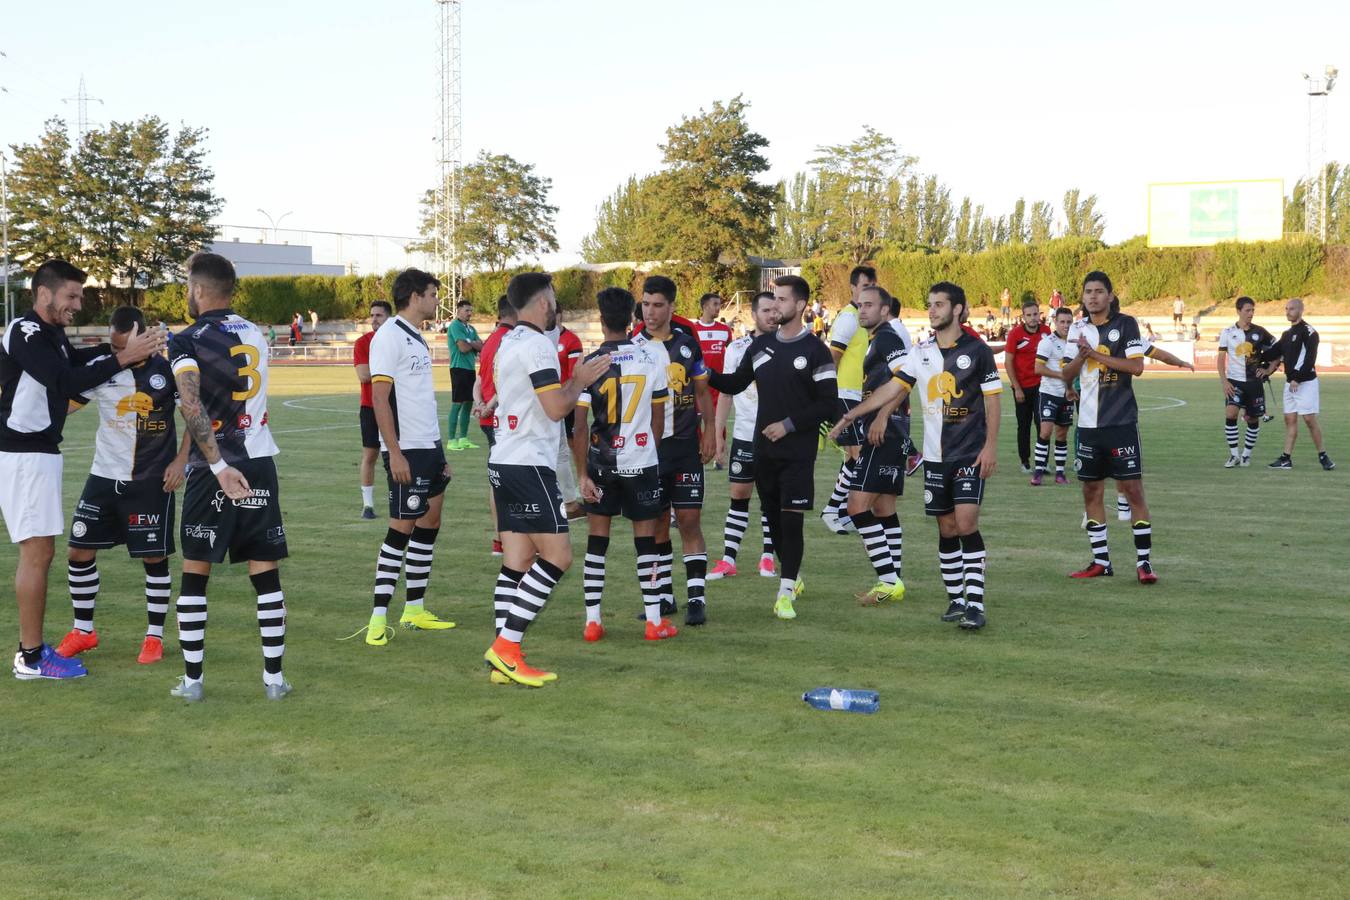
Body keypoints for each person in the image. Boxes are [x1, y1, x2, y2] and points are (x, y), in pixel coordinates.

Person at [2, 260, 165, 680]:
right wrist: (124, 356)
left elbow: (76, 358)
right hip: (23, 455)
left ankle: (34, 651)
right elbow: (64, 380)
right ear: (44, 294)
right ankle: (32, 657)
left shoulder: (50, 334)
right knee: (37, 554)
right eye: (72, 296)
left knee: (43, 552)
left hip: (38, 454)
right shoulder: (26, 330)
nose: (78, 304)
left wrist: (124, 349)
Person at [831, 281, 1000, 631]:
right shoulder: (920, 352)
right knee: (947, 526)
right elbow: (893, 388)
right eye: (930, 304)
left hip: (969, 453)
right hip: (936, 458)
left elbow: (993, 400)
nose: (933, 309)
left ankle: (976, 604)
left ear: (957, 309)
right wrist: (852, 415)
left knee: (966, 523)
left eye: (940, 304)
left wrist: (990, 447)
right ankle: (956, 599)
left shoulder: (978, 350)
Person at [167, 251, 291, 701]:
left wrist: (217, 466)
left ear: (199, 290)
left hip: (213, 468)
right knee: (265, 569)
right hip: (259, 460)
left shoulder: (187, 340)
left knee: (196, 569)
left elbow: (190, 403)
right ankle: (274, 680)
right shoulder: (255, 332)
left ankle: (193, 681)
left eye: (186, 284)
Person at [483, 272, 611, 687]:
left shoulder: (508, 342)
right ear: (542, 304)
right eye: (553, 298)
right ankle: (507, 648)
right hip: (527, 464)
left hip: (504, 460)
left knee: (518, 560)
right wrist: (581, 381)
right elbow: (556, 407)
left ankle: (503, 655)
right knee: (558, 556)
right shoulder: (538, 344)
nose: (556, 305)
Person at [55, 306, 189, 665]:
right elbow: (66, 404)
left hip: (150, 480)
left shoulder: (168, 371)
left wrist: (180, 462)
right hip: (103, 476)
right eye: (113, 347)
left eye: (123, 346)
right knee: (78, 551)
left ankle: (154, 637)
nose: (118, 354)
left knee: (154, 557)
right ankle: (84, 631)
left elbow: (194, 414)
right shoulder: (105, 369)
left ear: (143, 336)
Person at [708, 275, 838, 621]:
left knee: (791, 522)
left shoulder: (815, 351)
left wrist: (789, 424)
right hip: (763, 450)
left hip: (797, 453)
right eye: (773, 300)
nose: (774, 306)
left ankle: (784, 593)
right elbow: (735, 383)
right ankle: (791, 577)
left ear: (800, 306)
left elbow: (828, 404)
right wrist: (700, 371)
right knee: (774, 521)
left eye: (781, 300)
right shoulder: (760, 348)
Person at [359, 269, 458, 647]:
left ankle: (414, 609)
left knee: (429, 523)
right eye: (433, 293)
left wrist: (439, 451)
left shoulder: (416, 336)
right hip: (406, 450)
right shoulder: (388, 337)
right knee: (400, 529)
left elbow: (420, 399)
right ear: (416, 296)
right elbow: (381, 399)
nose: (436, 300)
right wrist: (395, 452)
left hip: (427, 447)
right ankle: (377, 619)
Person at [571, 287, 675, 642]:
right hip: (641, 462)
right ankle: (653, 621)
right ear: (633, 318)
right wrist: (647, 452)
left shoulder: (590, 364)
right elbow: (658, 421)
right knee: (646, 542)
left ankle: (593, 622)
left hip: (602, 463)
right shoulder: (651, 358)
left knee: (597, 541)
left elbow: (579, 426)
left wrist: (582, 473)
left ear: (601, 321)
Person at [1059, 271, 1157, 585]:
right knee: (1091, 491)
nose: (1093, 297)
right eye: (1088, 291)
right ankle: (1102, 561)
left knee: (1133, 491)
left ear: (1110, 296)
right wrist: (1081, 355)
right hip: (1087, 426)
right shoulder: (1076, 328)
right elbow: (1066, 374)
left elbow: (1136, 367)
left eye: (1099, 291)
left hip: (1121, 422)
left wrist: (1097, 354)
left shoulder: (1126, 324)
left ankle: (1144, 563)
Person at [636, 276, 716, 626]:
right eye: (645, 304)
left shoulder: (687, 345)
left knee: (688, 520)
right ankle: (665, 596)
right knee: (655, 524)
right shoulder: (631, 346)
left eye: (657, 305)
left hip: (684, 447)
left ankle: (696, 598)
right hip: (647, 452)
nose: (650, 312)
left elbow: (702, 393)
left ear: (671, 307)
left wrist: (711, 431)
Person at [843, 285, 911, 606]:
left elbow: (906, 378)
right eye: (860, 305)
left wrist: (883, 415)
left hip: (884, 433)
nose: (862, 310)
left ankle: (887, 580)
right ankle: (893, 581)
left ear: (885, 310)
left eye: (869, 305)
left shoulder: (886, 338)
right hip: (893, 432)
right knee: (884, 508)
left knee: (856, 506)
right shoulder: (876, 340)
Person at [709, 291, 778, 581]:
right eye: (766, 311)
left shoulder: (785, 346)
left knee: (771, 497)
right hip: (744, 435)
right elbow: (726, 392)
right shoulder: (737, 348)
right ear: (753, 314)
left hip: (775, 437)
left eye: (776, 310)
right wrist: (717, 433)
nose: (772, 315)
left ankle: (767, 558)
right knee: (738, 495)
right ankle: (728, 559)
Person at [820, 265, 876, 535]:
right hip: (845, 394)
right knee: (858, 455)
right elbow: (833, 357)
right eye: (865, 286)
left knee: (854, 457)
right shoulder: (849, 318)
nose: (868, 291)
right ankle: (834, 510)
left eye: (872, 287)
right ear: (853, 287)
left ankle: (838, 510)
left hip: (858, 395)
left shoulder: (864, 318)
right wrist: (826, 393)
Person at [1259, 297, 1334, 470]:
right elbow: (1273, 353)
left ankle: (1323, 456)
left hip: (1305, 383)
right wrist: (1254, 356)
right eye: (1286, 309)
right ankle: (1286, 459)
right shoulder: (1286, 334)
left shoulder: (1310, 332)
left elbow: (1310, 359)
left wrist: (1297, 379)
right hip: (1289, 384)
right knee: (1289, 419)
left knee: (1309, 419)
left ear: (1301, 310)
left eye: (1291, 309)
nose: (1288, 312)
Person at [472, 295, 516, 557]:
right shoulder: (510, 341)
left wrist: (480, 403)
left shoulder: (489, 341)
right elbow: (507, 384)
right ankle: (509, 539)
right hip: (502, 418)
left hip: (489, 417)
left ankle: (500, 539)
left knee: (496, 478)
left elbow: (479, 380)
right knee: (510, 479)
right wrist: (490, 405)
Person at [1216, 296, 1276, 468]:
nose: (1251, 313)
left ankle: (1246, 455)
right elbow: (1220, 359)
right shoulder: (1227, 333)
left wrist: (1269, 369)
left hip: (1254, 383)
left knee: (1251, 419)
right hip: (1234, 381)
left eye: (1253, 310)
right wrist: (1224, 382)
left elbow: (1278, 349)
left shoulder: (1260, 332)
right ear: (1238, 311)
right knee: (1231, 413)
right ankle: (1234, 455)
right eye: (1247, 310)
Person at [352, 299, 391, 519]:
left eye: (379, 315)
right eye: (372, 315)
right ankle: (367, 505)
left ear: (389, 318)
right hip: (370, 406)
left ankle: (400, 498)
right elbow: (364, 375)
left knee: (398, 452)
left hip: (395, 406)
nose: (374, 319)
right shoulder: (363, 342)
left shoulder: (396, 341)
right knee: (370, 454)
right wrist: (390, 370)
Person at [1030, 306, 1076, 485]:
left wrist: (1072, 385)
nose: (1065, 325)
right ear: (1055, 322)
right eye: (1062, 322)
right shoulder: (1047, 342)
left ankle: (1060, 473)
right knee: (1046, 431)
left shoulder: (1074, 344)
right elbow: (1038, 368)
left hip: (1066, 394)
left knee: (1062, 435)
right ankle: (1039, 471)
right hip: (1049, 393)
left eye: (1069, 322)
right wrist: (1061, 376)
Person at [546, 311, 585, 517]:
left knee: (572, 445)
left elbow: (573, 374)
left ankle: (580, 484)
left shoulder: (570, 340)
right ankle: (569, 501)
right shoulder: (541, 337)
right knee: (560, 451)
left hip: (565, 398)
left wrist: (563, 396)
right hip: (554, 400)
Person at [1004, 299, 1050, 473]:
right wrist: (1017, 387)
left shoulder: (1046, 331)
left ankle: (1043, 462)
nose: (1032, 318)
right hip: (1022, 387)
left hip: (1042, 386)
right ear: (1023, 317)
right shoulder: (1015, 334)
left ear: (1040, 314)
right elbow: (1008, 362)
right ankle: (1025, 462)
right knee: (1024, 425)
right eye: (1028, 315)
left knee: (1043, 424)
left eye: (1035, 314)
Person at [694, 293, 734, 469]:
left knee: (719, 422)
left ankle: (719, 456)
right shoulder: (693, 330)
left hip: (718, 385)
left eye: (719, 304)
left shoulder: (725, 330)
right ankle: (697, 454)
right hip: (697, 386)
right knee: (695, 422)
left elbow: (730, 354)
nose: (718, 308)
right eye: (715, 304)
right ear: (704, 306)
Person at [446, 299, 483, 451]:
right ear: (459, 310)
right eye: (467, 310)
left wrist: (471, 342)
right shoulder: (455, 326)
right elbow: (462, 348)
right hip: (458, 368)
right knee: (457, 404)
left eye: (470, 310)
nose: (469, 313)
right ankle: (451, 441)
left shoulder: (470, 328)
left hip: (469, 369)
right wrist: (472, 343)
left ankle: (463, 438)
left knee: (468, 403)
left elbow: (481, 346)